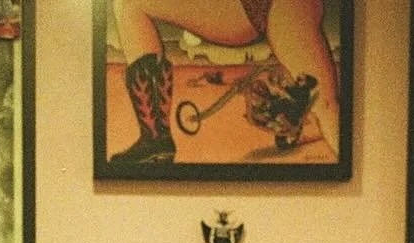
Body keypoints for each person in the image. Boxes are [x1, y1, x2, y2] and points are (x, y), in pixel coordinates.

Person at [107, 0, 342, 169]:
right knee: (129, 3)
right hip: (239, 8)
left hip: (283, 6)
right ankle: (155, 140)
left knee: (327, 104)